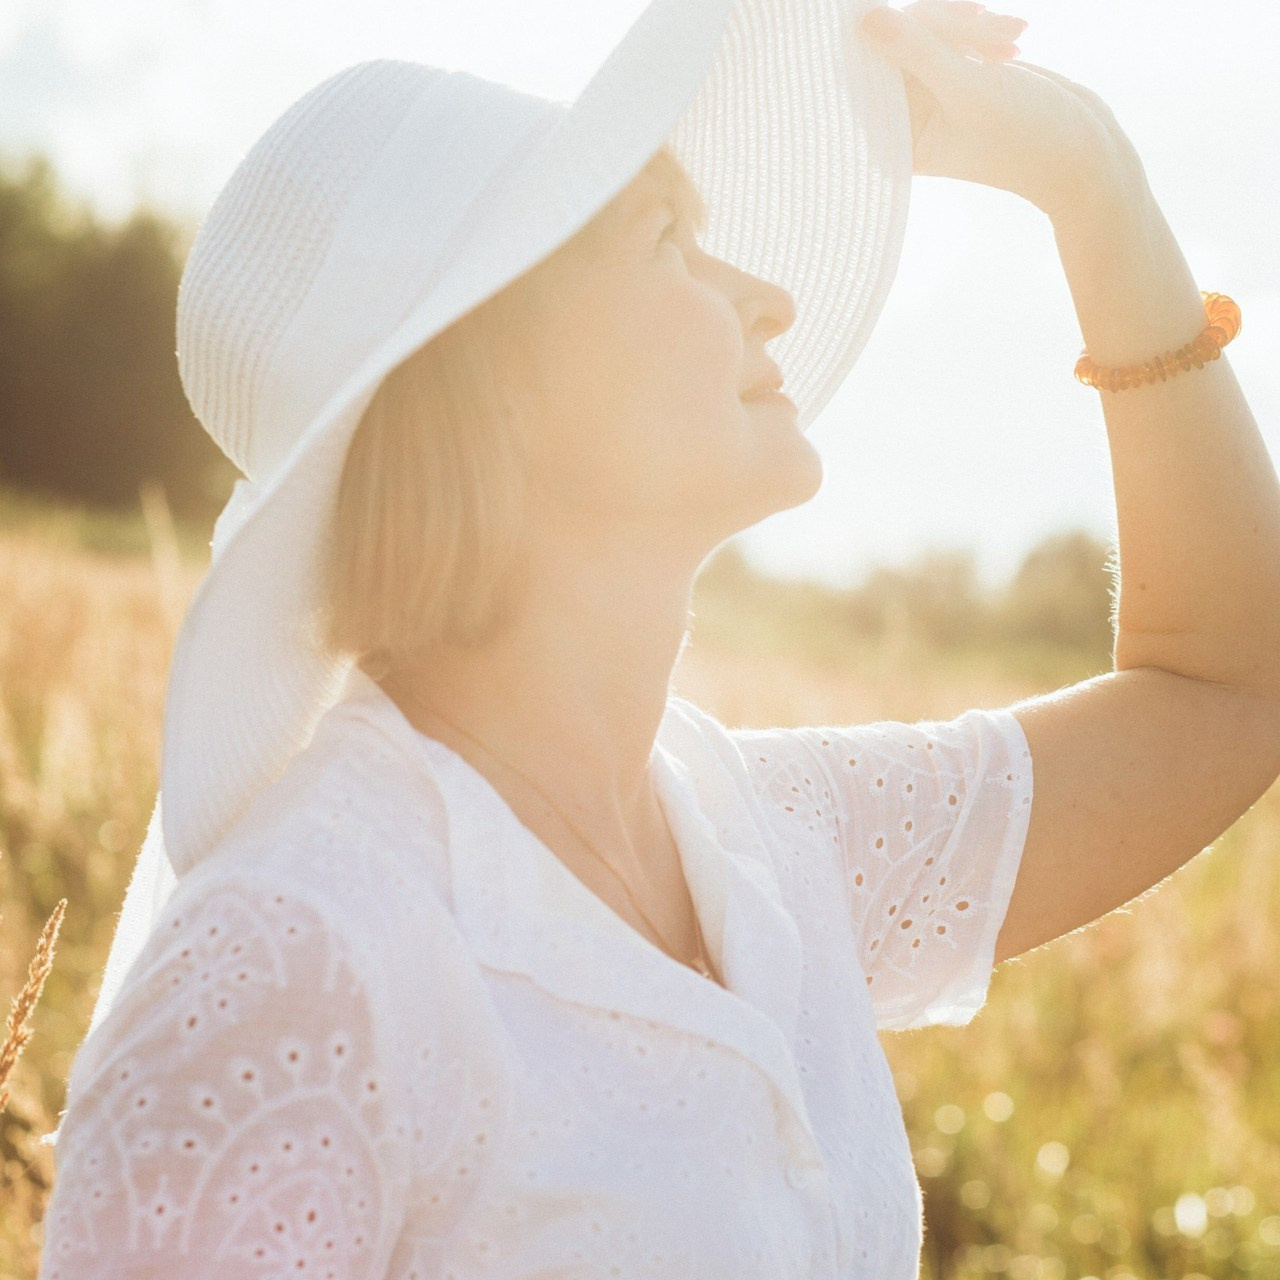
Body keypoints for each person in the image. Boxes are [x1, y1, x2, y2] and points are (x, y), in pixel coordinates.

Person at [37, 0, 1280, 1276]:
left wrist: (1093, 181)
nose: (769, 295)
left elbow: (1225, 688)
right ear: (493, 387)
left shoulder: (768, 839)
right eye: (669, 240)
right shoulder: (292, 971)